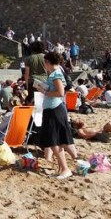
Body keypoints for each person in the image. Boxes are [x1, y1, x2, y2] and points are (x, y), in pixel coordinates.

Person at [35, 51, 77, 179]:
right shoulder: (55, 73)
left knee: (53, 141)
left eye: (45, 63)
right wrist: (44, 88)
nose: (44, 66)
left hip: (54, 109)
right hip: (53, 108)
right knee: (56, 140)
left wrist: (46, 92)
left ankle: (65, 169)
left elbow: (60, 92)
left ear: (47, 62)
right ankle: (62, 168)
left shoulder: (56, 74)